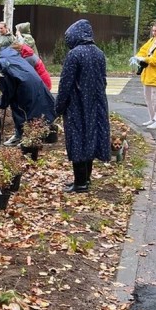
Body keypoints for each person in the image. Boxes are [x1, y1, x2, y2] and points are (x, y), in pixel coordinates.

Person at [55, 19, 110, 193]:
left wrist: (59, 106)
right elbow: (104, 80)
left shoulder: (74, 54)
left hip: (77, 105)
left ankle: (79, 183)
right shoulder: (99, 53)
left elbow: (65, 84)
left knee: (77, 139)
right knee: (91, 137)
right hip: (96, 103)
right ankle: (85, 179)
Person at [0, 48, 55, 146]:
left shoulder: (2, 69)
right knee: (33, 109)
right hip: (35, 83)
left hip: (25, 89)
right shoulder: (8, 59)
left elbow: (8, 92)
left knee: (23, 111)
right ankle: (21, 135)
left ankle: (27, 139)